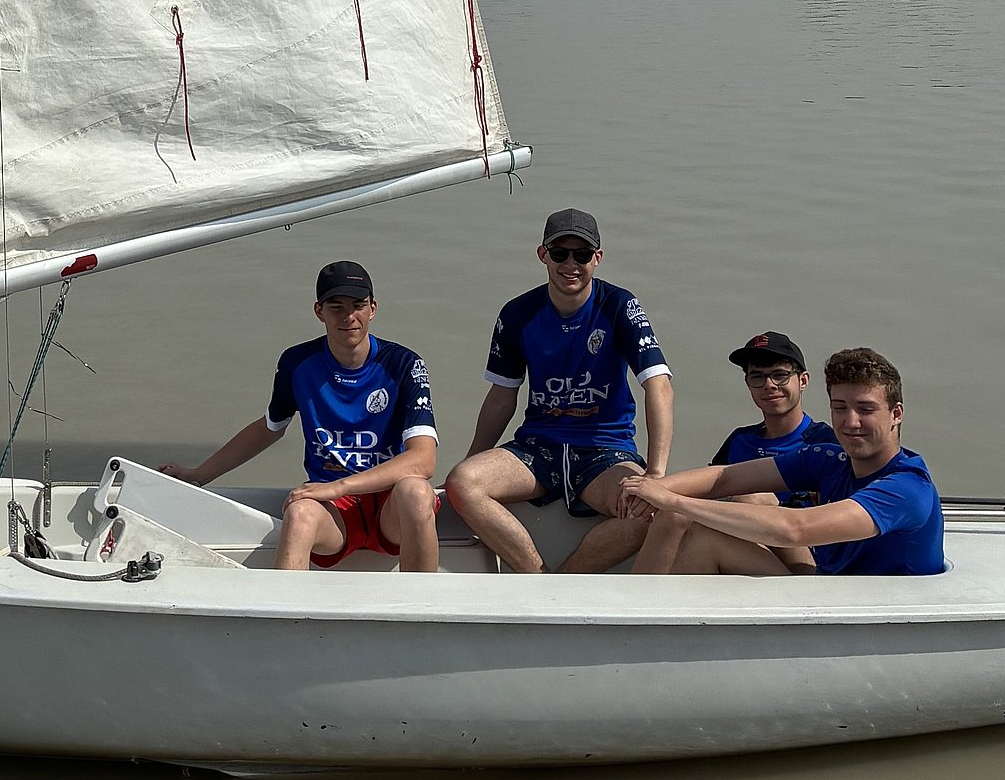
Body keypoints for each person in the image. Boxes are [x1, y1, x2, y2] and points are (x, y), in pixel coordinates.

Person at [160, 262, 440, 571]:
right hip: (334, 512)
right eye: (336, 307)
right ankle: (285, 603)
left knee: (416, 492)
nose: (349, 317)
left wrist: (341, 486)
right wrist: (198, 475)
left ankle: (424, 600)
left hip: (390, 507)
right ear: (319, 311)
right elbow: (269, 428)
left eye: (358, 305)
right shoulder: (297, 363)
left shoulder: (405, 364)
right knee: (299, 513)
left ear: (372, 309)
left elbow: (423, 461)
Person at [443, 208, 674, 574]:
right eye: (559, 253)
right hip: (538, 449)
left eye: (581, 254)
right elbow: (502, 397)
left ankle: (565, 582)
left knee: (648, 512)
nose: (570, 264)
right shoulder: (517, 314)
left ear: (597, 258)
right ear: (543, 255)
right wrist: (470, 459)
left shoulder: (620, 306)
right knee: (462, 483)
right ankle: (537, 578)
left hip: (605, 451)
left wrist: (656, 474)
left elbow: (658, 385)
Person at [626, 346, 944, 575]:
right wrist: (650, 488)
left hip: (869, 620)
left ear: (896, 414)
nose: (850, 422)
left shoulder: (907, 487)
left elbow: (795, 530)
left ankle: (639, 632)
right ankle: (636, 621)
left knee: (687, 522)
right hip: (830, 588)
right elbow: (725, 477)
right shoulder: (829, 459)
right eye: (840, 408)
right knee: (690, 530)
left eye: (865, 409)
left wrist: (674, 501)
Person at [560, 328, 833, 573]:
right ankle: (637, 604)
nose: (769, 385)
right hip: (756, 554)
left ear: (803, 381)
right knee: (675, 516)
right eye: (757, 377)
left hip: (808, 563)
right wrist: (649, 488)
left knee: (750, 497)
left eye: (780, 375)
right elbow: (712, 486)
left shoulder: (825, 443)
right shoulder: (740, 440)